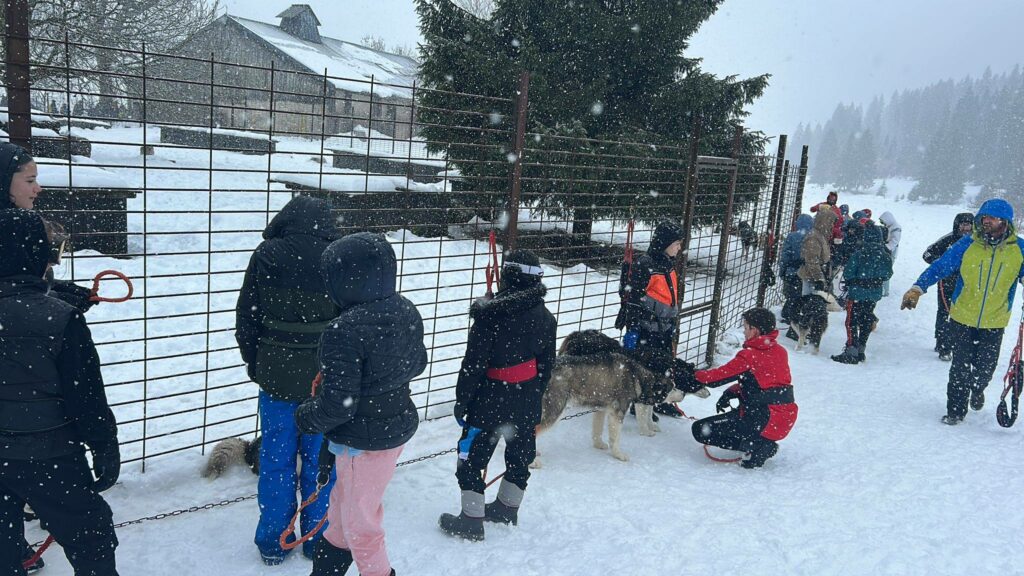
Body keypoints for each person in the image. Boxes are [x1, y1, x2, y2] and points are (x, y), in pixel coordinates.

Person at [295, 232, 427, 576]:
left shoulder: (343, 330)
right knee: (341, 514)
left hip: (362, 443)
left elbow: (339, 405)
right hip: (391, 428)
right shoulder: (405, 310)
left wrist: (306, 416)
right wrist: (382, 382)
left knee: (361, 527)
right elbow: (418, 363)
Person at [0, 209, 121, 576]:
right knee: (91, 537)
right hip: (51, 456)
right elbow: (86, 397)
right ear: (39, 257)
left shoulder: (57, 312)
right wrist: (104, 444)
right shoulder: (60, 319)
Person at [234, 196, 340, 564]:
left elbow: (247, 315)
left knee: (277, 459)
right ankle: (316, 536)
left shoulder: (267, 254)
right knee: (320, 460)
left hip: (276, 376)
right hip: (322, 379)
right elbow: (347, 319)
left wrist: (256, 362)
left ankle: (274, 541)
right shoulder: (336, 254)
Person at [438, 250, 557, 541]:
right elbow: (546, 366)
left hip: (490, 399)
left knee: (471, 456)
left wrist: (463, 400)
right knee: (520, 456)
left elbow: (473, 364)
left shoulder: (490, 315)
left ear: (508, 276)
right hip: (526, 397)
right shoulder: (545, 317)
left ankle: (471, 518)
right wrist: (532, 395)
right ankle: (507, 507)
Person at [901, 199, 1024, 425]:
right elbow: (940, 265)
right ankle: (955, 411)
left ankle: (977, 389)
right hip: (962, 317)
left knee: (986, 369)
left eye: (992, 218)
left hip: (995, 321)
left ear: (1005, 222)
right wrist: (918, 288)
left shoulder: (1020, 249)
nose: (986, 221)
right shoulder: (967, 244)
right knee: (959, 368)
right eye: (983, 217)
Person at [690, 308, 797, 469]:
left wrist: (690, 373)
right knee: (727, 422)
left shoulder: (750, 355)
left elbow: (713, 378)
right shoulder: (779, 351)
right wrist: (732, 391)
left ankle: (756, 445)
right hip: (782, 417)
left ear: (755, 330)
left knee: (700, 430)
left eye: (746, 327)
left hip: (763, 417)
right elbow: (767, 384)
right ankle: (759, 441)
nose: (744, 331)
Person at [616, 220, 687, 417]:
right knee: (644, 368)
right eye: (677, 244)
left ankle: (660, 399)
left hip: (664, 327)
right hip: (647, 328)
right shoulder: (645, 264)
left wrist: (671, 322)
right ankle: (639, 403)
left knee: (664, 366)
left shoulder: (668, 265)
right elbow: (633, 300)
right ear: (665, 243)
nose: (679, 248)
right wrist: (633, 328)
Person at [831, 222, 893, 364]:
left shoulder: (859, 254)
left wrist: (856, 281)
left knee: (851, 321)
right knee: (866, 320)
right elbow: (888, 274)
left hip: (857, 293)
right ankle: (861, 350)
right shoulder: (885, 255)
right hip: (874, 294)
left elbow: (848, 273)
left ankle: (851, 350)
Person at [922, 213, 975, 361]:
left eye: (969, 224)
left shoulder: (977, 242)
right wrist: (942, 265)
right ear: (957, 225)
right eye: (963, 224)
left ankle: (958, 343)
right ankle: (943, 343)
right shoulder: (948, 239)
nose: (966, 228)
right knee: (945, 312)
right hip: (947, 283)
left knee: (963, 314)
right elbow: (927, 254)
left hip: (968, 284)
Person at [779, 214, 813, 327]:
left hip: (792, 271)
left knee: (791, 294)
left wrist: (783, 270)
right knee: (802, 296)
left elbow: (785, 255)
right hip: (807, 272)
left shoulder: (792, 236)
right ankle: (795, 315)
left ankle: (788, 315)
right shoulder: (814, 237)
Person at [797, 208, 838, 295]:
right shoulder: (814, 237)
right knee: (811, 303)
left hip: (817, 275)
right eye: (831, 222)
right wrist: (819, 279)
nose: (832, 225)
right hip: (812, 277)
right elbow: (812, 260)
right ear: (825, 222)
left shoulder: (820, 235)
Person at [878, 211, 902, 297]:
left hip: (891, 253)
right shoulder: (890, 227)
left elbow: (894, 241)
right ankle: (883, 288)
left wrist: (885, 247)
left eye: (883, 221)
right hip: (888, 252)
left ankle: (885, 291)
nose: (883, 224)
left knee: (886, 271)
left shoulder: (896, 228)